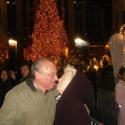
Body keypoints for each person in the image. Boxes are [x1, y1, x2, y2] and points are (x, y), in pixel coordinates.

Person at [0, 57, 59, 125]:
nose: (56, 78)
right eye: (52, 75)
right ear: (38, 75)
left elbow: (63, 104)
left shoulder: (54, 92)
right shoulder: (15, 96)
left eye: (56, 74)